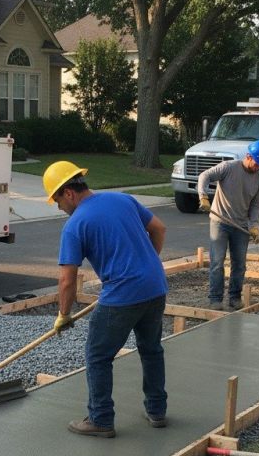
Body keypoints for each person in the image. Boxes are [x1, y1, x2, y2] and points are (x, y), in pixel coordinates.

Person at [43, 160, 168, 438]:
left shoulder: (76, 225)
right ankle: (157, 411)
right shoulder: (123, 199)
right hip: (155, 287)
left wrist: (63, 315)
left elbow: (67, 279)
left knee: (98, 355)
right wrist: (145, 266)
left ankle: (100, 419)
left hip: (123, 296)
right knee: (151, 349)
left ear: (69, 193)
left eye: (57, 200)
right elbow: (159, 228)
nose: (59, 207)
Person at [197, 140, 259, 310]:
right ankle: (215, 299)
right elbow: (204, 176)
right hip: (220, 222)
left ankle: (235, 297)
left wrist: (254, 226)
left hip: (241, 226)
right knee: (217, 261)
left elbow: (256, 205)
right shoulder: (228, 168)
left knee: (239, 264)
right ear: (248, 156)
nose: (258, 167)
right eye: (257, 163)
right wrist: (203, 196)